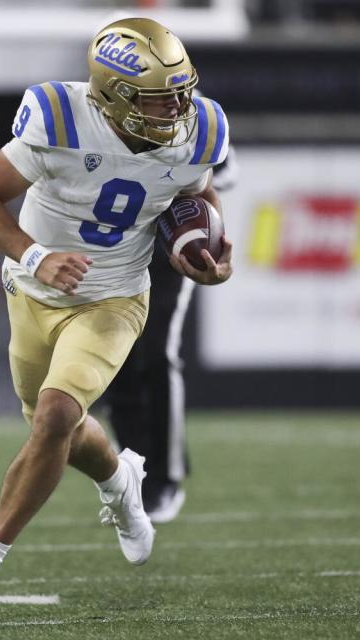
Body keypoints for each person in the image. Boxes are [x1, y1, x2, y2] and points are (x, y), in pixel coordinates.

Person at [0, 17, 233, 613]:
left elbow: (196, 194)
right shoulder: (59, 118)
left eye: (181, 90)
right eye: (160, 97)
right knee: (61, 433)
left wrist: (210, 251)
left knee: (54, 417)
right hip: (32, 290)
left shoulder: (200, 127)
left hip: (115, 297)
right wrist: (35, 254)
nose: (178, 107)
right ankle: (120, 481)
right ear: (114, 96)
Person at [106, 145, 238, 524]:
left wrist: (180, 185)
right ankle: (133, 463)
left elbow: (226, 172)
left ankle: (165, 476)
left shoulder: (195, 114)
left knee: (158, 352)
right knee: (116, 356)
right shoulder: (103, 109)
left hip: (171, 249)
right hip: (115, 248)